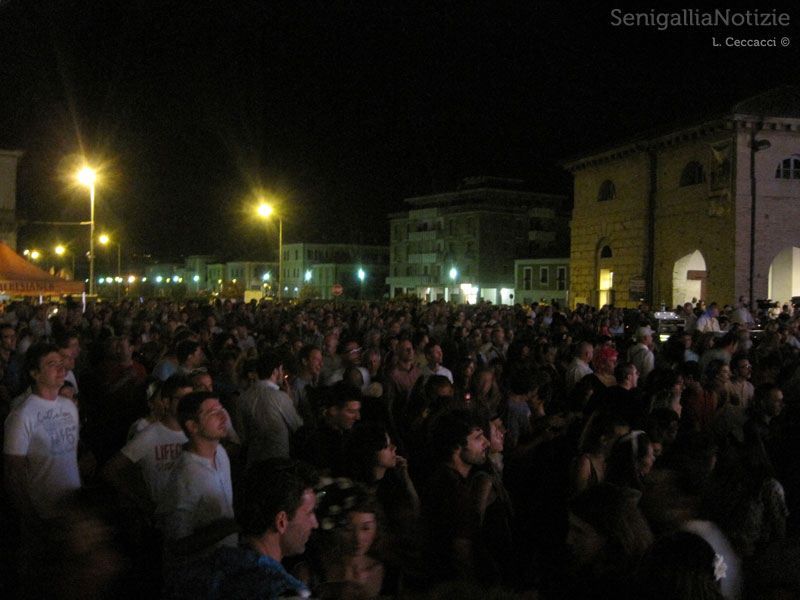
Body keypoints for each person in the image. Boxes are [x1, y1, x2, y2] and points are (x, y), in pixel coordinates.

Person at [164, 458, 319, 600]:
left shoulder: (202, 572)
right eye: (309, 513)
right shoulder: (286, 590)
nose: (315, 523)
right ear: (281, 521)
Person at [156, 391, 239, 567]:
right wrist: (230, 526)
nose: (223, 416)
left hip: (226, 565)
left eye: (221, 409)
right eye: (213, 413)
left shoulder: (221, 454)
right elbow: (178, 544)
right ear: (193, 426)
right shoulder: (185, 476)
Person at [4, 342, 81, 522]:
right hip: (43, 513)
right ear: (34, 373)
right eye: (52, 364)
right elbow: (13, 474)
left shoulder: (69, 406)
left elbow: (71, 454)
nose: (61, 369)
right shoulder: (22, 415)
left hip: (73, 509)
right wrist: (31, 518)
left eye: (61, 363)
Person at [421, 408, 490, 585]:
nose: (486, 443)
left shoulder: (441, 479)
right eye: (477, 437)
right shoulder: (452, 491)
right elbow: (461, 552)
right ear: (456, 446)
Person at [236, 350, 303, 463]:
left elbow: (242, 434)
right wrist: (292, 402)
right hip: (278, 461)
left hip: (254, 462)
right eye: (281, 369)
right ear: (275, 371)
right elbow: (297, 427)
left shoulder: (243, 398)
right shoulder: (280, 397)